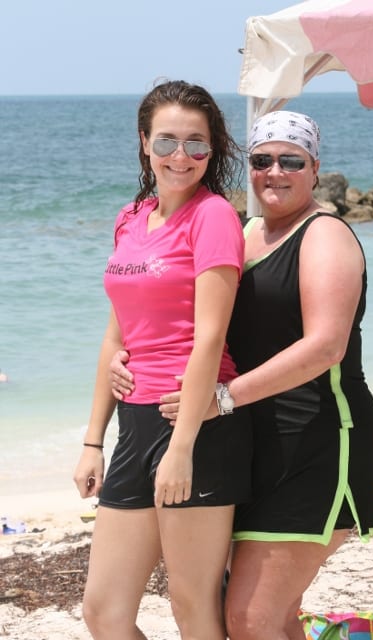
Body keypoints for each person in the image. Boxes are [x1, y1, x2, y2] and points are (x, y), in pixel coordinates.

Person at [110, 109, 373, 640]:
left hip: (320, 440)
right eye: (262, 160)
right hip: (254, 440)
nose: (275, 172)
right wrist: (127, 353)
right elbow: (195, 314)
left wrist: (223, 398)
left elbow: (325, 347)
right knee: (268, 616)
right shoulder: (248, 231)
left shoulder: (325, 235)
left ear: (315, 168)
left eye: (291, 161)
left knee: (252, 618)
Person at [73, 79, 253, 640]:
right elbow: (116, 335)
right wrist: (93, 440)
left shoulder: (214, 216)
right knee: (104, 612)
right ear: (144, 143)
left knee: (192, 607)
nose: (181, 156)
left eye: (197, 144)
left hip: (195, 425)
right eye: (167, 141)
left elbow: (210, 337)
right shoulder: (130, 218)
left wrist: (182, 447)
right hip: (135, 422)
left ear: (213, 150)